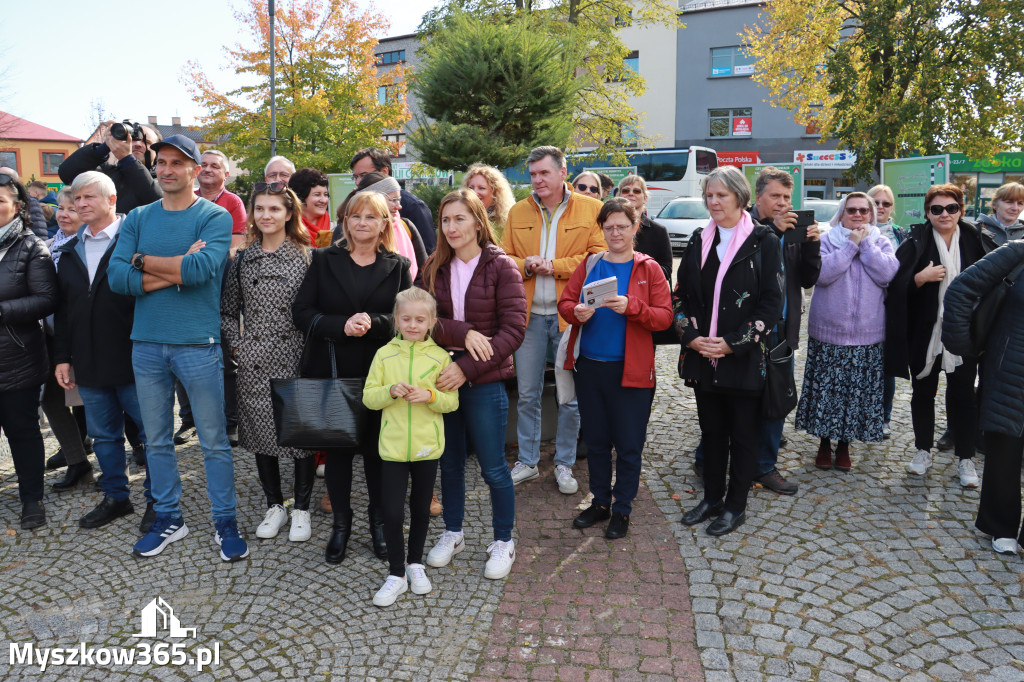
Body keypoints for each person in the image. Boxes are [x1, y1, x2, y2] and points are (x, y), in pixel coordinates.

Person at [108, 134, 248, 562]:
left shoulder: (214, 217)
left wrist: (142, 261)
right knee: (156, 440)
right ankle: (169, 517)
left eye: (177, 163)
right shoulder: (136, 218)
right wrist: (172, 269)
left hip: (197, 344)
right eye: (161, 162)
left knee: (213, 442)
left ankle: (225, 521)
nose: (166, 169)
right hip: (146, 344)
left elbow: (204, 270)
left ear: (195, 170)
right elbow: (117, 279)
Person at [292, 191, 412, 564]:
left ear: (383, 224)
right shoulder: (324, 259)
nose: (362, 223)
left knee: (378, 453)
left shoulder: (398, 266)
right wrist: (341, 324)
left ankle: (379, 524)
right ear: (346, 222)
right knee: (340, 451)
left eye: (370, 217)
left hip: (380, 371)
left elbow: (406, 318)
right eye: (355, 216)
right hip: (332, 367)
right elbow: (302, 312)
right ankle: (341, 524)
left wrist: (374, 323)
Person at [421, 189, 527, 580]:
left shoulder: (502, 267)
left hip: (481, 381)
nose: (451, 227)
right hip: (443, 379)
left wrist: (466, 368)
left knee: (493, 467)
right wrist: (463, 333)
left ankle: (503, 540)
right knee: (448, 464)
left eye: (459, 218)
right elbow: (420, 318)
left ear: (479, 222)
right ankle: (453, 532)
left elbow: (513, 330)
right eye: (446, 220)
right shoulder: (434, 265)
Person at [676, 165, 783, 537]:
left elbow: (772, 303)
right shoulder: (697, 240)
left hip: (743, 358)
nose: (713, 201)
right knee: (712, 432)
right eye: (709, 195)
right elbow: (682, 297)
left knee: (743, 435)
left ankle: (736, 506)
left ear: (740, 197)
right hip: (704, 357)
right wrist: (690, 336)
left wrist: (734, 343)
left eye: (721, 195)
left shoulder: (763, 241)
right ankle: (712, 499)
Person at [558, 198, 672, 538]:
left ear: (636, 228)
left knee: (628, 444)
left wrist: (632, 306)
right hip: (591, 367)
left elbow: (664, 318)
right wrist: (575, 312)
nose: (615, 233)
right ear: (602, 229)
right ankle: (600, 502)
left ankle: (622, 508)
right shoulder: (591, 263)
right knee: (595, 440)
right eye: (609, 227)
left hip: (632, 371)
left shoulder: (648, 268)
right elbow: (566, 302)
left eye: (622, 226)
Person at [53, 171, 155, 530]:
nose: (80, 204)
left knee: (151, 435)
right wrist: (63, 357)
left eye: (88, 198)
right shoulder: (68, 251)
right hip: (89, 362)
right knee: (105, 436)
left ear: (112, 201)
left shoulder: (136, 241)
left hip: (136, 358)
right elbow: (63, 311)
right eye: (76, 199)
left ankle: (159, 500)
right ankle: (116, 497)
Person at [501, 146, 606, 494]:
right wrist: (526, 264)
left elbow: (598, 256)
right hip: (529, 315)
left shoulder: (592, 209)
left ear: (563, 173)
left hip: (569, 317)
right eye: (533, 174)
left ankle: (564, 463)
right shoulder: (518, 211)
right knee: (528, 394)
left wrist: (555, 266)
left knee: (568, 396)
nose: (537, 180)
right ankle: (528, 462)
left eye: (544, 173)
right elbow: (505, 258)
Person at [885, 184, 995, 487]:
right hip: (924, 333)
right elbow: (894, 287)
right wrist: (919, 279)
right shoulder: (915, 242)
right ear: (927, 212)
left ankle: (965, 458)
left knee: (963, 397)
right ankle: (922, 450)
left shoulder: (976, 239)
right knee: (923, 393)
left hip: (964, 333)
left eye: (951, 208)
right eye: (937, 209)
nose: (944, 214)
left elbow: (997, 282)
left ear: (961, 209)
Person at [222, 183, 314, 543]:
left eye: (274, 209)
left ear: (289, 214)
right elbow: (228, 311)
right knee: (262, 435)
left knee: (301, 436)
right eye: (259, 209)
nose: (266, 215)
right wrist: (237, 348)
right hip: (254, 358)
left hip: (297, 354)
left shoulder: (308, 256)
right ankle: (274, 505)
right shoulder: (242, 259)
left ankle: (302, 507)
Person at [363, 288, 459, 606]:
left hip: (426, 448)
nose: (413, 325)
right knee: (391, 511)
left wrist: (430, 396)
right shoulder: (384, 355)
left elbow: (450, 402)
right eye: (407, 319)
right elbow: (368, 397)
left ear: (431, 321)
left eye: (420, 319)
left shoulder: (440, 357)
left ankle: (415, 563)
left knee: (420, 509)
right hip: (391, 447)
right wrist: (390, 390)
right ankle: (396, 574)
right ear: (396, 320)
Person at [795, 192, 898, 470]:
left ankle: (844, 446)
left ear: (871, 215)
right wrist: (851, 246)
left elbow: (887, 275)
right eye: (851, 210)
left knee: (855, 396)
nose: (858, 215)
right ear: (841, 214)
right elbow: (823, 276)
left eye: (864, 211)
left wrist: (865, 247)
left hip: (868, 334)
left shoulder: (882, 242)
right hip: (830, 332)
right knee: (827, 394)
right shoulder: (827, 240)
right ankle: (824, 444)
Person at [941, 240, 1024, 555]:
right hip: (1011, 370)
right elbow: (960, 291)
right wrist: (966, 346)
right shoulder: (1017, 252)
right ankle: (1000, 526)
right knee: (1005, 448)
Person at [746, 167, 821, 494]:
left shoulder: (793, 229)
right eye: (775, 196)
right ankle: (719, 456)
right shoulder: (745, 224)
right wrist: (773, 233)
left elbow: (807, 280)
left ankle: (765, 465)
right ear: (758, 195)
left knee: (777, 399)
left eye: (787, 197)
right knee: (741, 399)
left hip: (782, 331)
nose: (781, 203)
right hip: (748, 332)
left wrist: (812, 246)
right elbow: (745, 267)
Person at [0, 172, 58, 529]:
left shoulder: (31, 246)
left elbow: (46, 299)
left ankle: (31, 498)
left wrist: (3, 311)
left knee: (21, 430)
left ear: (17, 207)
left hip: (15, 356)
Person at [42, 187, 94, 490]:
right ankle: (77, 461)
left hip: (84, 338)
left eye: (72, 209)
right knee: (51, 397)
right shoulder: (48, 246)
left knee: (96, 402)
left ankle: (122, 464)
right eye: (60, 208)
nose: (64, 214)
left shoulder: (92, 248)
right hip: (50, 337)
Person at [58, 121, 162, 214]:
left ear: (158, 152)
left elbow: (156, 201)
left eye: (147, 142)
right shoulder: (109, 174)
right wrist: (105, 147)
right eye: (133, 139)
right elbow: (67, 173)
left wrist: (127, 159)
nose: (138, 144)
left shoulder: (164, 177)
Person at [868, 184, 906, 438]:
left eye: (886, 203)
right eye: (876, 202)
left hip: (890, 309)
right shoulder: (852, 230)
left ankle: (884, 417)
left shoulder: (901, 236)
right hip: (861, 309)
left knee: (886, 368)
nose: (880, 207)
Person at [350, 148, 436, 253]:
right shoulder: (352, 211)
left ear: (384, 172)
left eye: (363, 175)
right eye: (356, 177)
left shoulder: (413, 206)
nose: (358, 182)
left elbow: (429, 255)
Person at [616, 175, 673, 285]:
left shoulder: (659, 231)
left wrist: (638, 275)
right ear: (619, 195)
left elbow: (667, 270)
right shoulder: (608, 228)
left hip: (646, 294)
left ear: (645, 198)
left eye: (637, 191)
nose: (631, 193)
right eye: (626, 190)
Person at [197, 150, 247, 251]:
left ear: (226, 175)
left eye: (214, 166)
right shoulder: (187, 199)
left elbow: (236, 247)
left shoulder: (234, 202)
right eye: (203, 165)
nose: (207, 169)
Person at [462, 163, 515, 230]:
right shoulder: (460, 219)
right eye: (471, 188)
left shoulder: (506, 224)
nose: (474, 193)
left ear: (495, 192)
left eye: (481, 188)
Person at [288, 167, 333, 246]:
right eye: (317, 195)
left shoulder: (335, 227)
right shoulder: (287, 228)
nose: (324, 200)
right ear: (300, 197)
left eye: (326, 195)